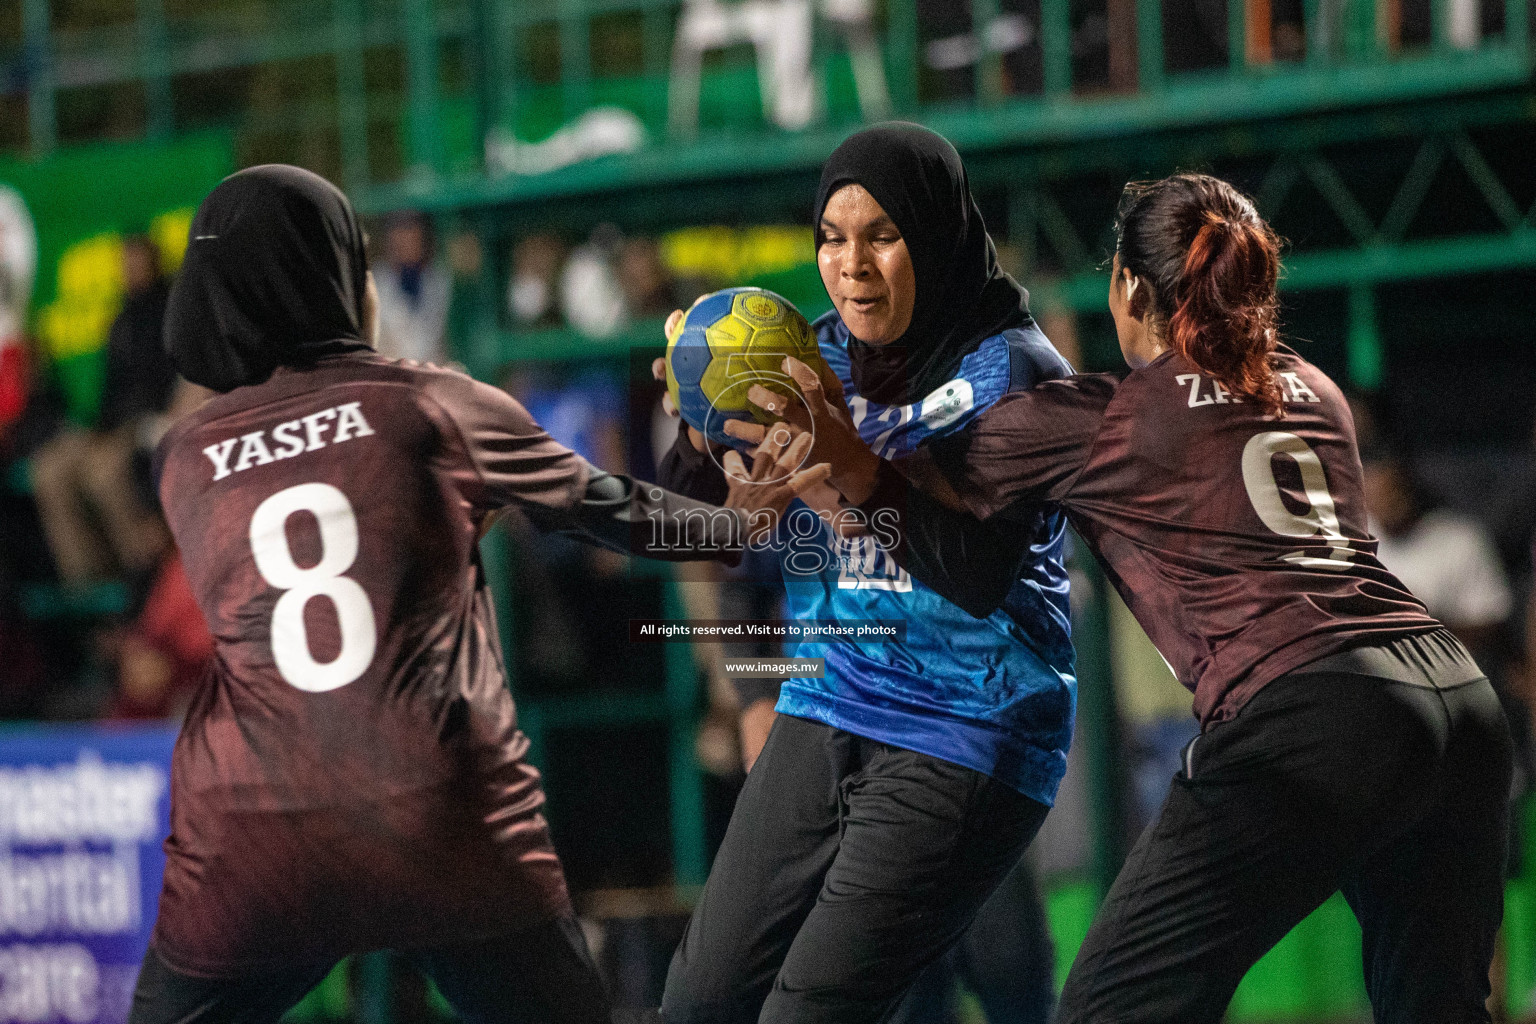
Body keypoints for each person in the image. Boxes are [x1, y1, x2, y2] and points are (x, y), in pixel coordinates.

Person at [749, 172, 1512, 1024]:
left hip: (1307, 714)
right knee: (1437, 1010)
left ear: (1129, 290)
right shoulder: (1316, 388)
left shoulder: (1102, 417)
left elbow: (905, 498)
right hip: (1455, 699)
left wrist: (800, 431)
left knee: (1111, 1011)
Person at [130, 164, 825, 1024]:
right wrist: (734, 525)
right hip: (440, 820)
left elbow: (313, 547)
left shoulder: (184, 457)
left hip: (253, 842)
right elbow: (611, 511)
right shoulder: (435, 404)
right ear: (336, 286)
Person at [657, 123, 1070, 1024]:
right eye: (832, 239)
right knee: (697, 1000)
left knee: (888, 998)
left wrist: (852, 466)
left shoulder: (1018, 375)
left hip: (969, 722)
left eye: (882, 235)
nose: (853, 265)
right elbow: (705, 529)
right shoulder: (809, 353)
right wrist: (695, 440)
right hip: (829, 699)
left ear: (933, 233)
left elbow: (976, 575)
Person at [31, 233, 176, 584]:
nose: (130, 268)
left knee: (104, 473)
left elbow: (166, 384)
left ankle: (138, 579)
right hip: (107, 423)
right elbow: (110, 388)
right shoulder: (121, 318)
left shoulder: (170, 312)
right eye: (125, 261)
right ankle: (86, 583)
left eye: (136, 259)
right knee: (48, 471)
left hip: (145, 421)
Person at [372, 211, 452, 364]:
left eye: (411, 232)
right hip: (391, 376)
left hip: (435, 376)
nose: (405, 241)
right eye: (399, 233)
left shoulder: (439, 279)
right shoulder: (376, 282)